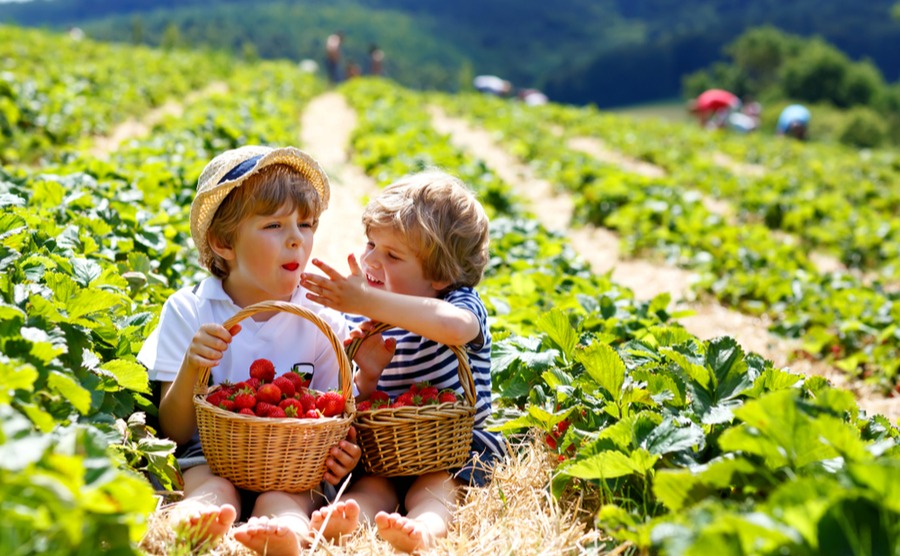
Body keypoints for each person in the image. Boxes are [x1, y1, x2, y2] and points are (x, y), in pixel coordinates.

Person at [137, 145, 362, 555]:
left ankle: (286, 531)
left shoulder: (320, 318)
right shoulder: (190, 311)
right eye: (274, 226)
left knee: (288, 498)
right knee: (209, 485)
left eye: (306, 224)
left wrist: (342, 453)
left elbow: (336, 413)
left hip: (294, 464)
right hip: (210, 455)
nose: (296, 239)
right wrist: (193, 365)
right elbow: (175, 432)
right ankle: (196, 520)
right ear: (224, 242)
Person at [300, 170, 506, 553]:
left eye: (392, 255)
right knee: (371, 486)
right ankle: (350, 519)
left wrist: (366, 301)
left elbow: (456, 328)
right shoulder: (369, 321)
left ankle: (425, 528)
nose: (370, 260)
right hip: (388, 452)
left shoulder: (458, 304)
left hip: (450, 450)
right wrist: (369, 374)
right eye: (371, 244)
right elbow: (362, 400)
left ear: (442, 276)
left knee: (436, 486)